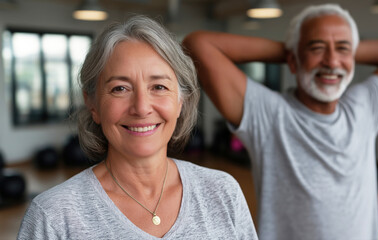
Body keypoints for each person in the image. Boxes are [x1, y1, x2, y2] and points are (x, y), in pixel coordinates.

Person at [182, 4, 378, 240]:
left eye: (342, 49)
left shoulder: (364, 108)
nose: (332, 62)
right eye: (317, 48)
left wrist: (329, 52)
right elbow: (197, 45)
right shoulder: (268, 114)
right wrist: (294, 52)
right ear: (293, 61)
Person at [18, 15, 257, 239]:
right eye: (120, 88)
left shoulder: (223, 192)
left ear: (180, 101)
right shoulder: (53, 217)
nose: (141, 108)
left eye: (159, 87)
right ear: (92, 103)